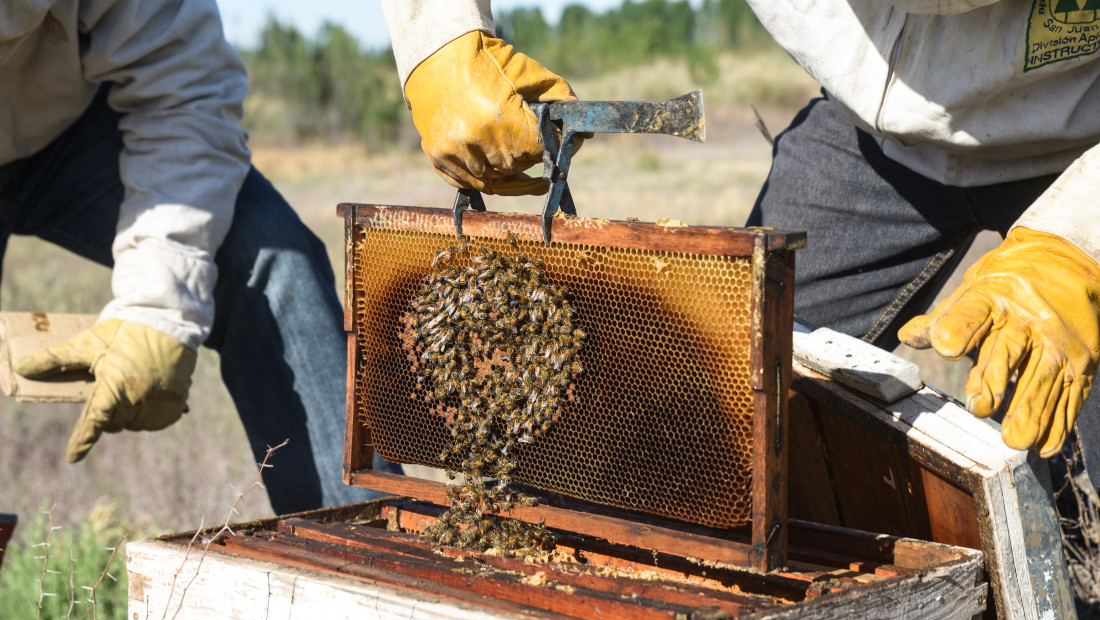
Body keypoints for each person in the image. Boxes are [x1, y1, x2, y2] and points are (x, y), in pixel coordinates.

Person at [379, 0, 1100, 476]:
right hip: (871, 135)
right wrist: (437, 34)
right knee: (722, 413)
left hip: (1086, 119)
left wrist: (1077, 238)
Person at [1, 0, 397, 515]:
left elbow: (183, 78)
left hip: (68, 123)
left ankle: (367, 562)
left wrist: (159, 303)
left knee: (273, 262)